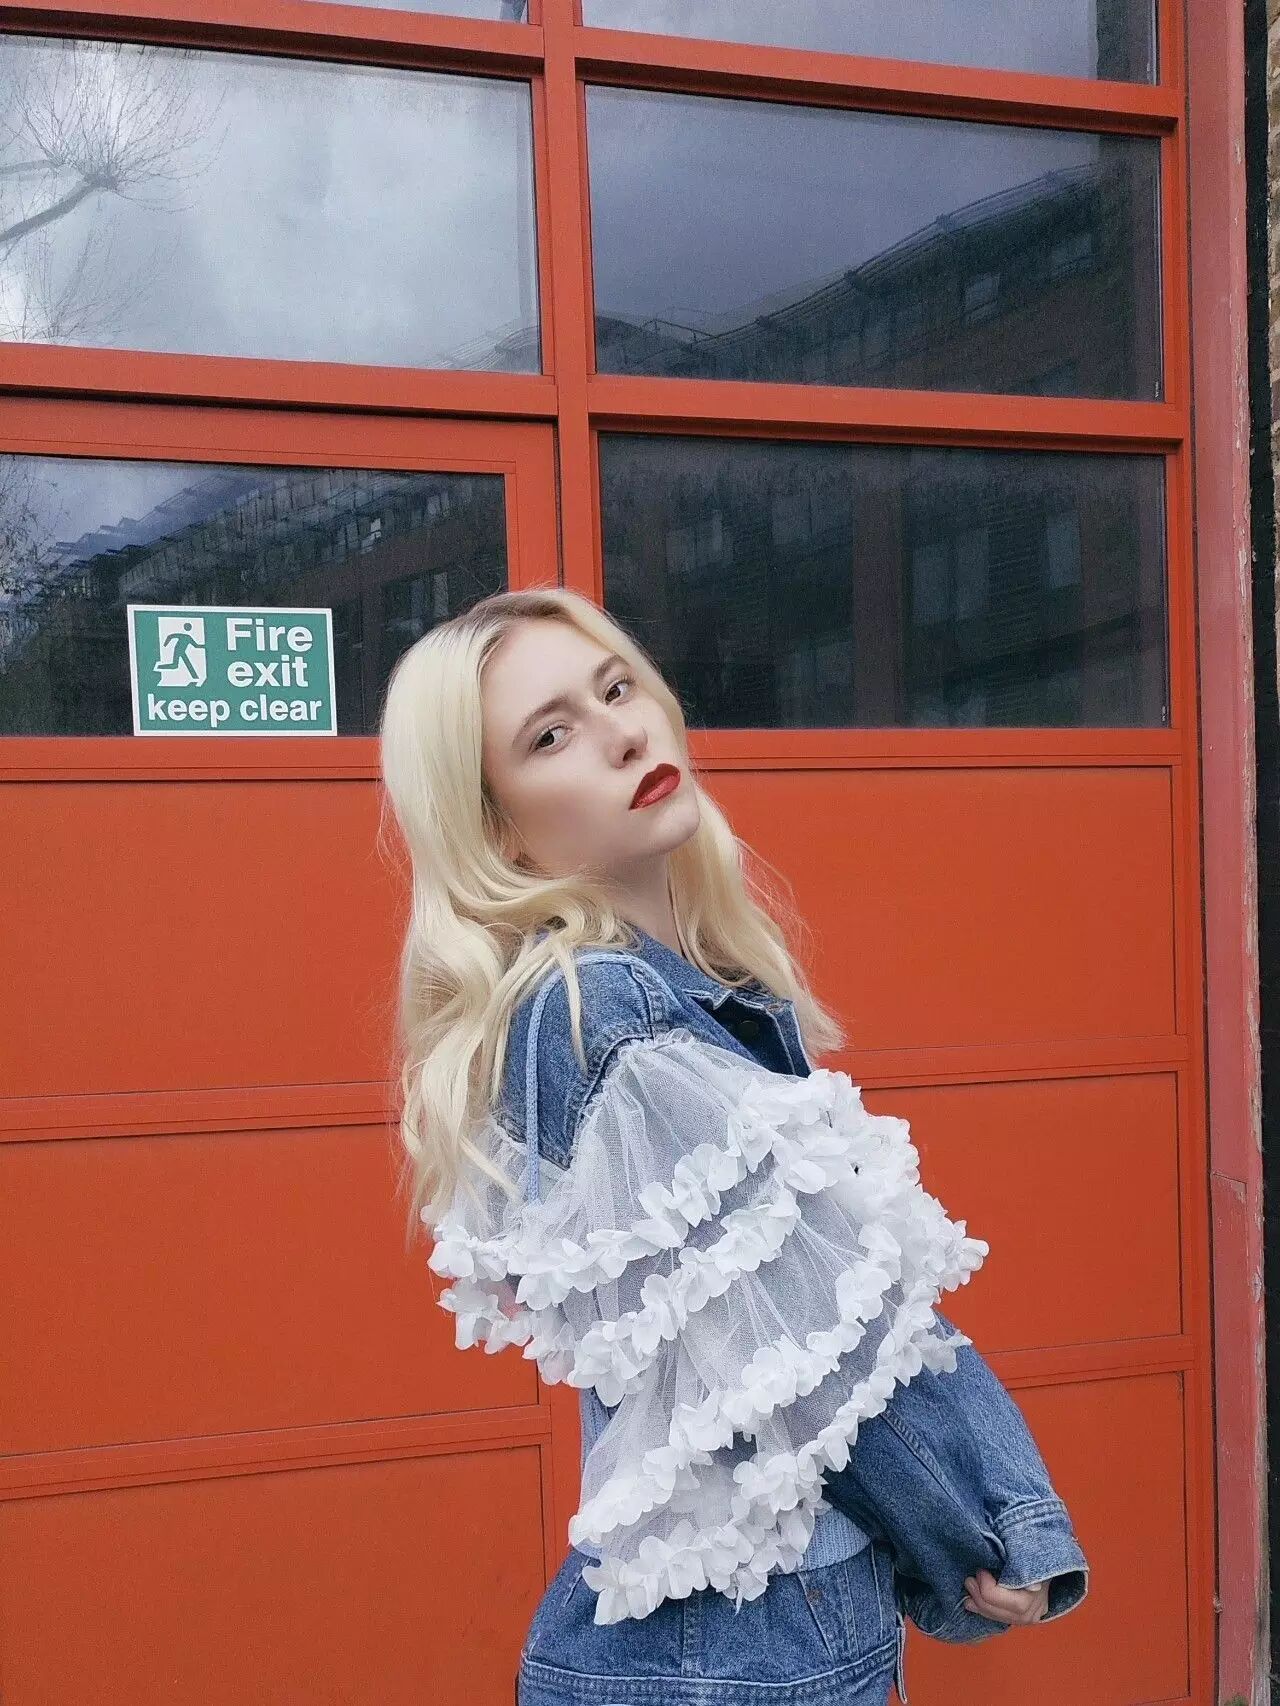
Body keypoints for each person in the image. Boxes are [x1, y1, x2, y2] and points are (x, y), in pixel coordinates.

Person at [377, 587, 1089, 1706]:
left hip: (738, 1645)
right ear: (496, 830)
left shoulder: (676, 991)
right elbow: (827, 1356)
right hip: (744, 1652)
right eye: (550, 735)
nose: (621, 733)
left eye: (617, 687)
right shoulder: (606, 1014)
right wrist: (986, 1528)